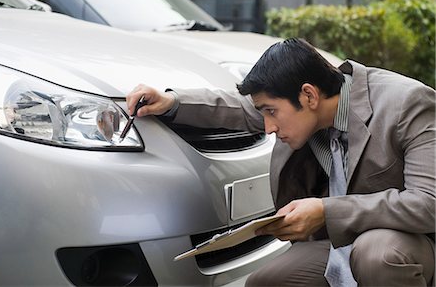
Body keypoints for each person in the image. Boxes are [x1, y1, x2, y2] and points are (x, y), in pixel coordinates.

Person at [126, 38, 435, 286]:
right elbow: (240, 108)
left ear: (309, 96)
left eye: (271, 112)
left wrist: (327, 211)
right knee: (267, 281)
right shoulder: (305, 103)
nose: (268, 127)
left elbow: (429, 203)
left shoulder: (407, 105)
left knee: (377, 255)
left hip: (407, 243)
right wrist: (170, 102)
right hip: (340, 242)